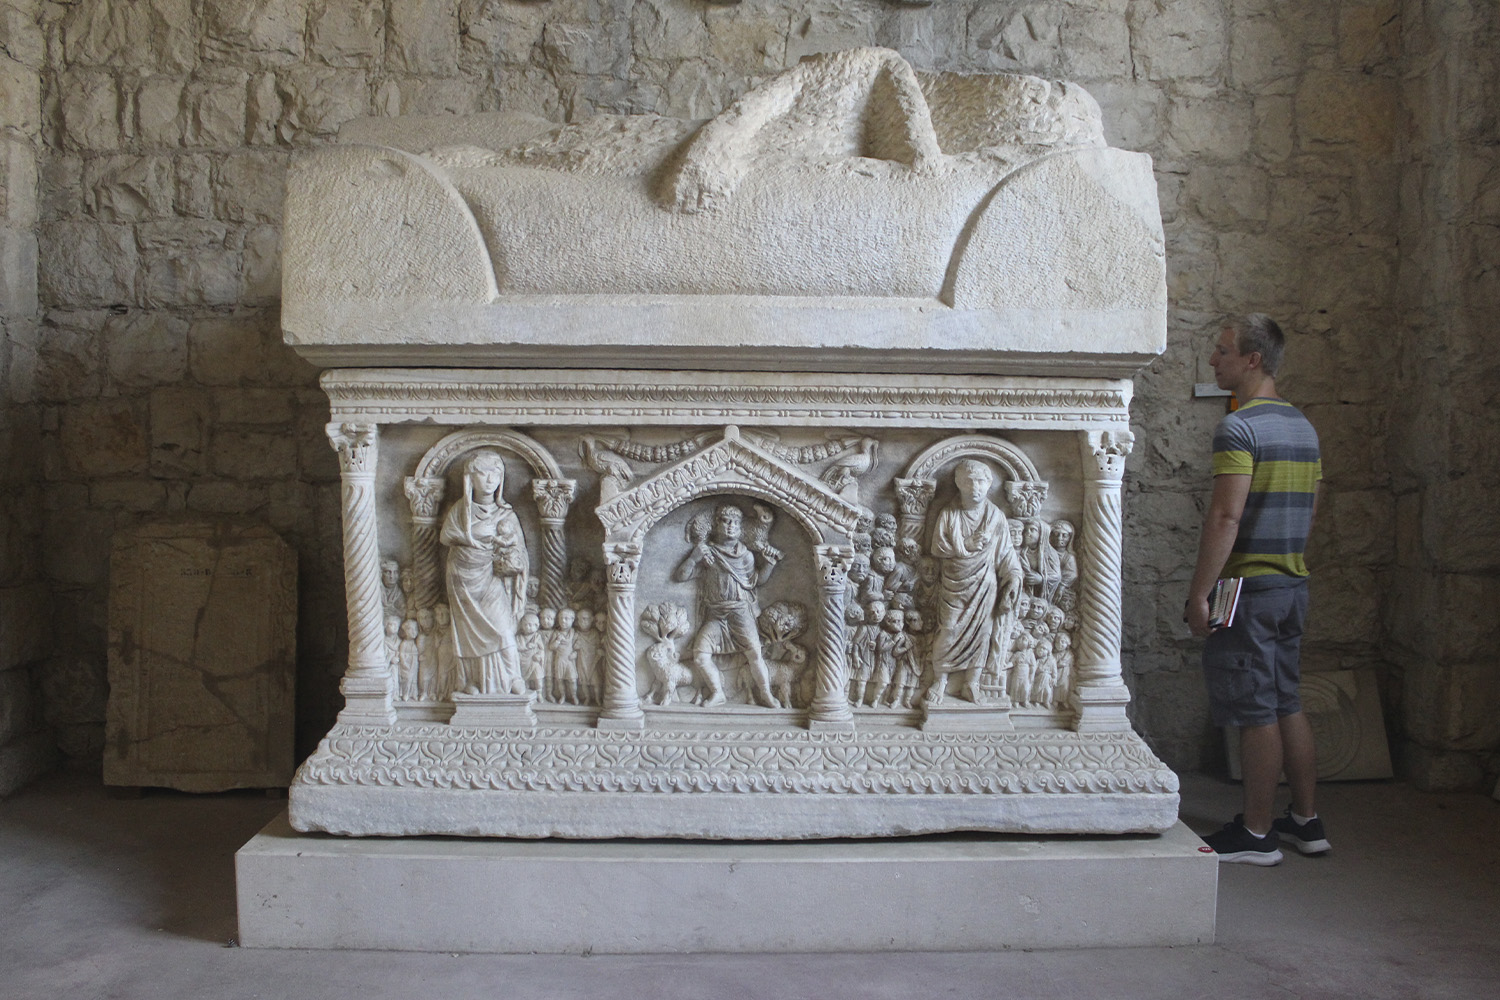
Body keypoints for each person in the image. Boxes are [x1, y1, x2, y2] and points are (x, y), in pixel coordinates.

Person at [1185, 314, 1330, 866]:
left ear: (1253, 360)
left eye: (1223, 351)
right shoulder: (1302, 427)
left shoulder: (1240, 428)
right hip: (1292, 582)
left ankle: (1257, 832)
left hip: (1248, 588)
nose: (1214, 360)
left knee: (1254, 710)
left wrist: (1202, 593)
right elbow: (1313, 504)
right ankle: (1306, 822)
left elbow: (1226, 516)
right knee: (1286, 698)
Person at [925, 459, 1024, 705]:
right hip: (954, 583)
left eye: (981, 481)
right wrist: (965, 546)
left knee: (982, 634)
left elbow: (1006, 553)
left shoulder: (996, 517)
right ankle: (940, 680)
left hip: (985, 585)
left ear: (989, 484)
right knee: (948, 630)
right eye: (969, 482)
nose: (975, 487)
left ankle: (972, 683)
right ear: (959, 484)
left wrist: (1013, 578)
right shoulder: (949, 514)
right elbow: (937, 547)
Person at [672, 504, 781, 707]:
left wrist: (769, 564)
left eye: (736, 523)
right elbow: (681, 576)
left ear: (741, 528)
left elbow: (755, 582)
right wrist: (693, 558)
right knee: (700, 654)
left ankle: (766, 694)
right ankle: (717, 693)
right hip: (715, 614)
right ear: (716, 524)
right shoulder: (707, 554)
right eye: (726, 521)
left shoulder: (746, 555)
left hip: (740, 610)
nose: (731, 526)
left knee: (755, 653)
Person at [440, 449, 529, 696]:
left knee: (502, 629)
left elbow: (519, 552)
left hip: (491, 578)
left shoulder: (506, 514)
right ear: (470, 478)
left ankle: (512, 678)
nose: (490, 479)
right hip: (462, 578)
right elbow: (445, 536)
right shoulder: (460, 511)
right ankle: (471, 680)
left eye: (496, 473)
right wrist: (470, 537)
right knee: (468, 632)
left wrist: (510, 558)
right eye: (483, 473)